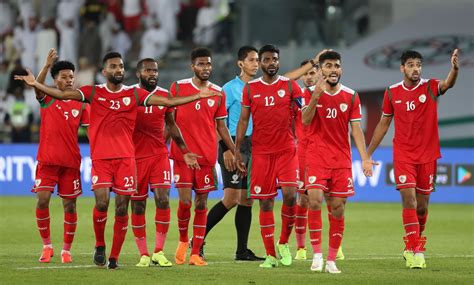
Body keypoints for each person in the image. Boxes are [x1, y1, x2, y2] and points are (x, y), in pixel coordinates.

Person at [15, 51, 219, 270]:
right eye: (113, 66)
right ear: (105, 72)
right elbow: (63, 96)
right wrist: (36, 82)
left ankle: (114, 257)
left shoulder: (133, 94)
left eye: (121, 66)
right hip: (102, 159)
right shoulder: (93, 92)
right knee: (102, 203)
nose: (118, 70)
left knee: (122, 208)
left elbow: (168, 102)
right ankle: (100, 245)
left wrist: (197, 96)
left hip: (126, 160)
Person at [203, 46, 326, 261]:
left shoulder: (273, 85)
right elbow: (219, 121)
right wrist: (228, 150)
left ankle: (242, 250)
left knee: (248, 199)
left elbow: (287, 79)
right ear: (243, 64)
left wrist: (313, 64)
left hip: (261, 146)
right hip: (237, 147)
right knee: (232, 198)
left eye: (256, 59)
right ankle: (198, 238)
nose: (255, 63)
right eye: (253, 60)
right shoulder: (231, 88)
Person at [367, 49, 459, 269]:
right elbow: (383, 124)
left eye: (419, 64)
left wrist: (454, 69)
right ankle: (415, 249)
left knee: (422, 207)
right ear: (402, 68)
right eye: (411, 64)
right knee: (409, 200)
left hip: (428, 155)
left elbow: (448, 84)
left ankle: (413, 244)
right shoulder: (392, 92)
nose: (416, 68)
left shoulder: (429, 86)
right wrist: (368, 153)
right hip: (404, 154)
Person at [301, 50, 375, 273]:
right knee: (314, 200)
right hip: (316, 156)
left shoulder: (351, 96)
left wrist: (365, 158)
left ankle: (331, 259)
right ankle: (317, 255)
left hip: (341, 159)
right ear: (321, 70)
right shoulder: (310, 93)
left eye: (337, 66)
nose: (334, 70)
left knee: (338, 208)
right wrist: (316, 95)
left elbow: (356, 130)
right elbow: (305, 121)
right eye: (329, 66)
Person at [234, 44, 304, 268]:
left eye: (275, 59)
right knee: (265, 203)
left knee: (291, 196)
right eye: (266, 60)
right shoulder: (250, 88)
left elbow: (302, 118)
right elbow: (243, 120)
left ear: (278, 62)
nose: (271, 63)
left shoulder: (291, 86)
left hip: (286, 151)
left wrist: (303, 145)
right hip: (261, 153)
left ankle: (283, 242)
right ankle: (271, 255)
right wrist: (237, 150)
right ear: (261, 63)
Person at [130, 58, 200, 267]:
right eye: (148, 70)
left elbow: (171, 125)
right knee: (138, 204)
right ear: (138, 74)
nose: (152, 74)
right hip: (134, 157)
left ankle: (158, 251)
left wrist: (185, 150)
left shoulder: (164, 95)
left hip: (159, 155)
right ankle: (143, 253)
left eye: (155, 70)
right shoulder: (130, 94)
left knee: (163, 198)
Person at [170, 47, 236, 267]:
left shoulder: (218, 92)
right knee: (185, 202)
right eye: (201, 64)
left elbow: (221, 126)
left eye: (208, 64)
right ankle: (181, 240)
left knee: (201, 203)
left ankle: (196, 252)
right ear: (192, 66)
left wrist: (233, 150)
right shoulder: (178, 87)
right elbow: (170, 122)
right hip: (183, 156)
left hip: (207, 157)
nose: (205, 68)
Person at [32, 48, 90, 264]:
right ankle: (47, 246)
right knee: (42, 200)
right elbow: (36, 87)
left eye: (71, 77)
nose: (68, 80)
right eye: (64, 77)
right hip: (47, 161)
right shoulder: (47, 97)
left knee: (70, 206)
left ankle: (66, 250)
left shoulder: (81, 102)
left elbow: (91, 130)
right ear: (55, 80)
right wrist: (46, 65)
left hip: (71, 162)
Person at [293, 59, 345, 261]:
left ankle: (336, 245)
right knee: (303, 199)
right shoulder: (297, 95)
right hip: (302, 152)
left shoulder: (330, 94)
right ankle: (300, 247)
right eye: (305, 73)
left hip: (324, 152)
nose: (308, 76)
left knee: (335, 201)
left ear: (319, 74)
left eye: (312, 73)